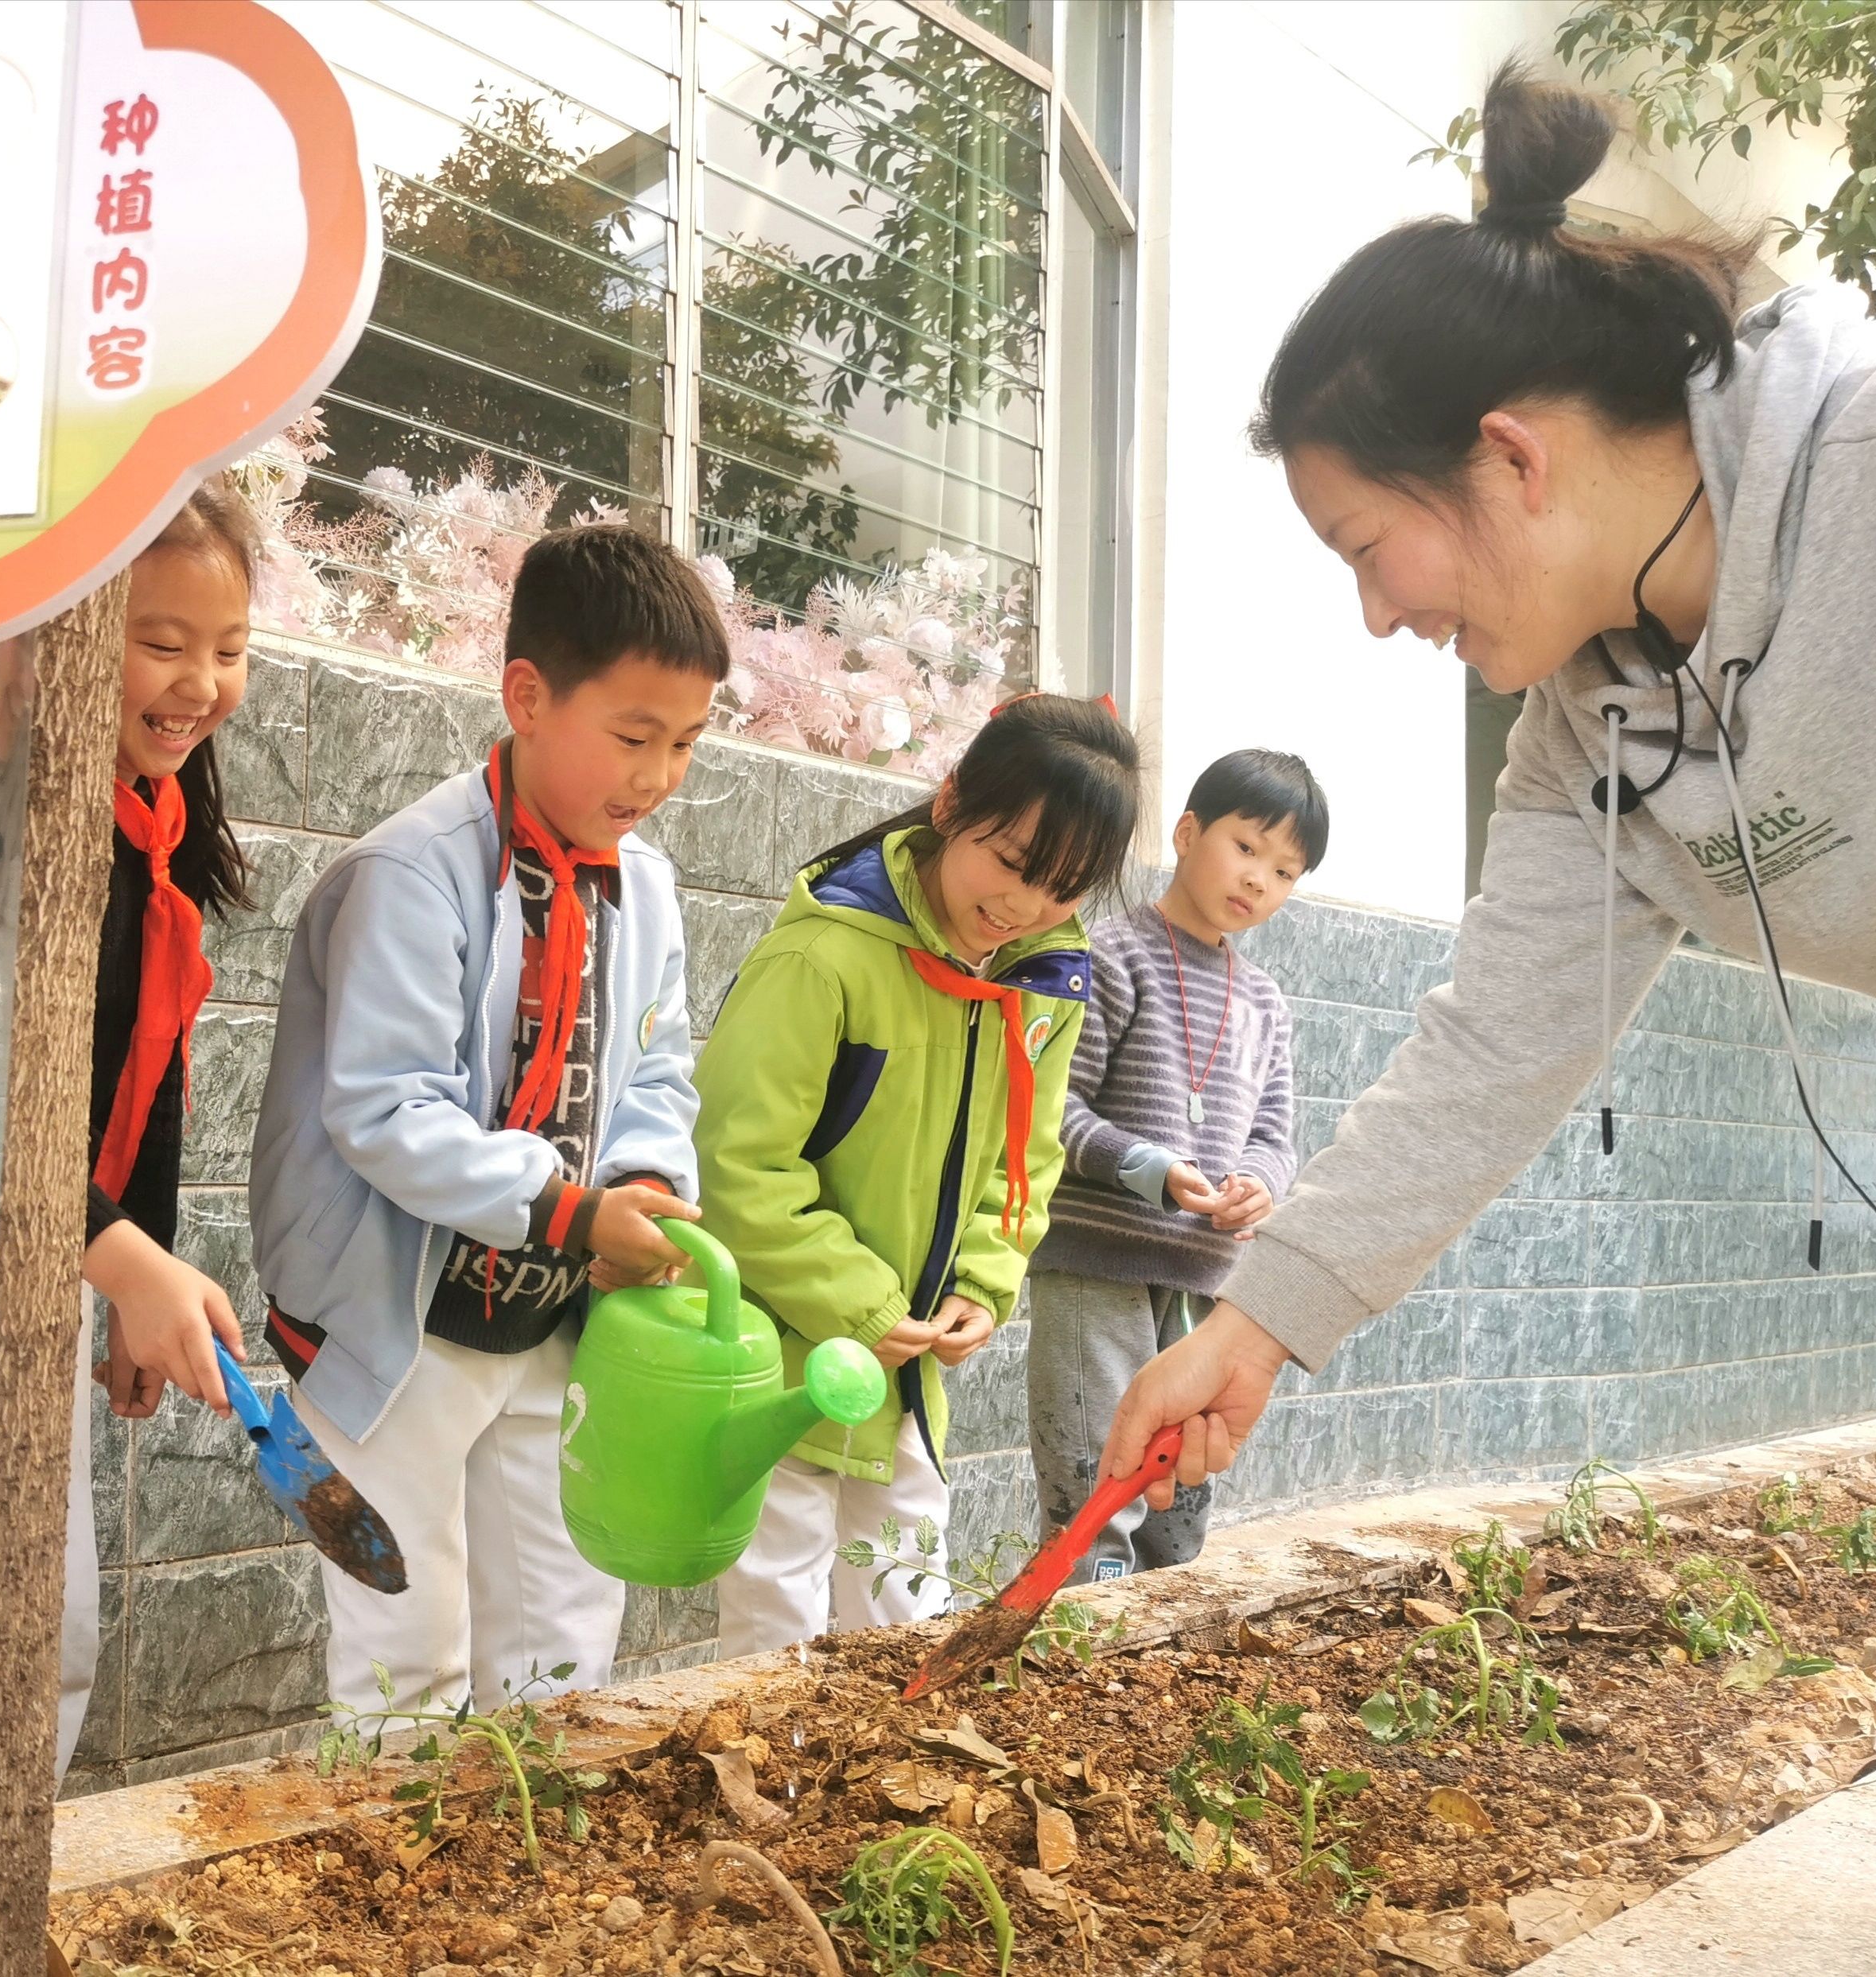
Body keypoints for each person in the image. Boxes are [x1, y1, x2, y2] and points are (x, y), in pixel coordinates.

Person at [1096, 64, 1876, 1963]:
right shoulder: (1579, 740)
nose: (1376, 618)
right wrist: (1258, 1327)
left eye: (1374, 549)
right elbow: (1485, 1053)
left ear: (1514, 458)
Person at [248, 523, 720, 1714]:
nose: (655, 776)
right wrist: (571, 1212)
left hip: (553, 1317)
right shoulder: (410, 873)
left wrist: (650, 1185)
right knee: (405, 1648)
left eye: (684, 745)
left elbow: (659, 1071)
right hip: (394, 1320)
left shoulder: (644, 885)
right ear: (525, 695)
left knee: (563, 1635)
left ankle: (533, 1889)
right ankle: (388, 1885)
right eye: (631, 736)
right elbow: (383, 1109)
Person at [696, 695, 1139, 1655]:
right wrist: (858, 1303)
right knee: (775, 1627)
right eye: (1012, 862)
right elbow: (735, 1163)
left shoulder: (1043, 981)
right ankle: (767, 1806)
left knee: (904, 1609)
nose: (1022, 904)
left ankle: (881, 1808)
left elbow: (1025, 1158)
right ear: (947, 806)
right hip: (782, 1363)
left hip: (906, 1376)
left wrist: (984, 1279)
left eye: (1061, 886)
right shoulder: (821, 958)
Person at [1026, 750, 1322, 1580]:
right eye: (1246, 846)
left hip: (1203, 1281)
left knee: (1177, 1510)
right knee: (1093, 1490)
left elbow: (1275, 1133)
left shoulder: (1265, 1000)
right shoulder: (1107, 953)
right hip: (1097, 1265)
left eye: (1285, 870)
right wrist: (1146, 1167)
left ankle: (1145, 1677)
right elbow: (1054, 1109)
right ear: (1186, 831)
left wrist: (1262, 1183)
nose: (1258, 878)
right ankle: (1072, 1661)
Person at [68, 480, 262, 1736]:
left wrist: (140, 1272)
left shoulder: (160, 826)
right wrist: (119, 1258)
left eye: (230, 650)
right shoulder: (23, 823)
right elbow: (3, 1105)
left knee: (50, 1643)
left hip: (56, 1264)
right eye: (163, 643)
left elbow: (153, 1070)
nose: (200, 683)